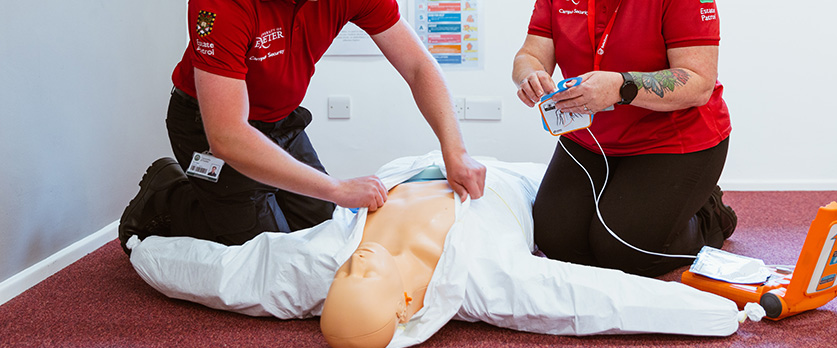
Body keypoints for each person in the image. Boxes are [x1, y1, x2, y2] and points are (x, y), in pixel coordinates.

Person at [117, 0, 485, 254]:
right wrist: (337, 188)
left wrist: (454, 149)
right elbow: (226, 135)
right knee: (270, 250)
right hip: (208, 128)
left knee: (326, 230)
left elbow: (418, 66)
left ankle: (248, 199)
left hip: (280, 120)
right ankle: (165, 194)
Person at [127, 152, 757, 348]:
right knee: (608, 225)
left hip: (420, 162)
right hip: (508, 189)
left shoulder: (313, 269)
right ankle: (709, 208)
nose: (356, 267)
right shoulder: (486, 280)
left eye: (346, 278)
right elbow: (592, 300)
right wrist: (722, 313)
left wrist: (139, 247)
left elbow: (223, 274)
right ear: (403, 305)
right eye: (362, 286)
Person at [511, 0, 735, 278]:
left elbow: (698, 82)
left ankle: (710, 215)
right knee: (557, 242)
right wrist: (529, 75)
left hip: (673, 141)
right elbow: (530, 53)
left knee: (622, 251)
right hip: (591, 138)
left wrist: (620, 86)